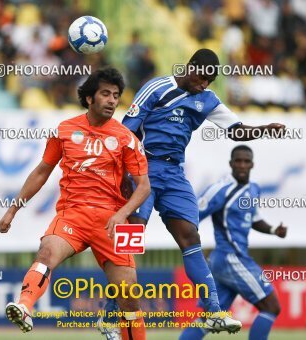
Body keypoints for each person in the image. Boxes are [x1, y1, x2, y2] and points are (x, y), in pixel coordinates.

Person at [99, 48, 286, 335]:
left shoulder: (207, 99)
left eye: (209, 82)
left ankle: (213, 312)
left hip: (174, 173)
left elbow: (235, 129)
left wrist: (263, 129)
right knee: (132, 236)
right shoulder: (157, 88)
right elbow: (128, 132)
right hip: (144, 167)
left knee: (191, 236)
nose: (204, 85)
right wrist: (127, 174)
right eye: (201, 78)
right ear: (190, 67)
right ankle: (110, 315)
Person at [0, 67, 150, 339]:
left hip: (112, 220)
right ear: (89, 98)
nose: (112, 101)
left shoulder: (127, 138)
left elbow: (144, 187)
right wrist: (12, 209)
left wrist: (122, 214)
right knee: (46, 252)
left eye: (116, 95)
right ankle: (24, 306)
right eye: (105, 94)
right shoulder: (65, 130)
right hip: (73, 215)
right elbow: (41, 171)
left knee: (129, 296)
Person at [180, 145, 287, 340]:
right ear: (231, 163)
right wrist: (193, 247)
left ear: (252, 164)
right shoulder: (220, 189)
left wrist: (273, 230)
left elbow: (253, 218)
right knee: (271, 306)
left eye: (246, 161)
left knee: (208, 320)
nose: (242, 165)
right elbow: (192, 216)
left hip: (225, 262)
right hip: (231, 257)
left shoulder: (253, 188)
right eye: (238, 161)